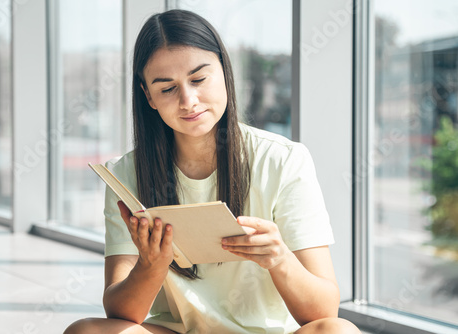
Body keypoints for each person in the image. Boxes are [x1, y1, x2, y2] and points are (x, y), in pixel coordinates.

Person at [64, 9, 361, 334]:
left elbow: (323, 311)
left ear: (224, 70)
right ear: (148, 95)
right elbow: (120, 313)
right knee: (86, 331)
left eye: (199, 79)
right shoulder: (125, 173)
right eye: (167, 89)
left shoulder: (284, 160)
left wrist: (280, 259)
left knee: (339, 330)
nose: (189, 101)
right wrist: (151, 266)